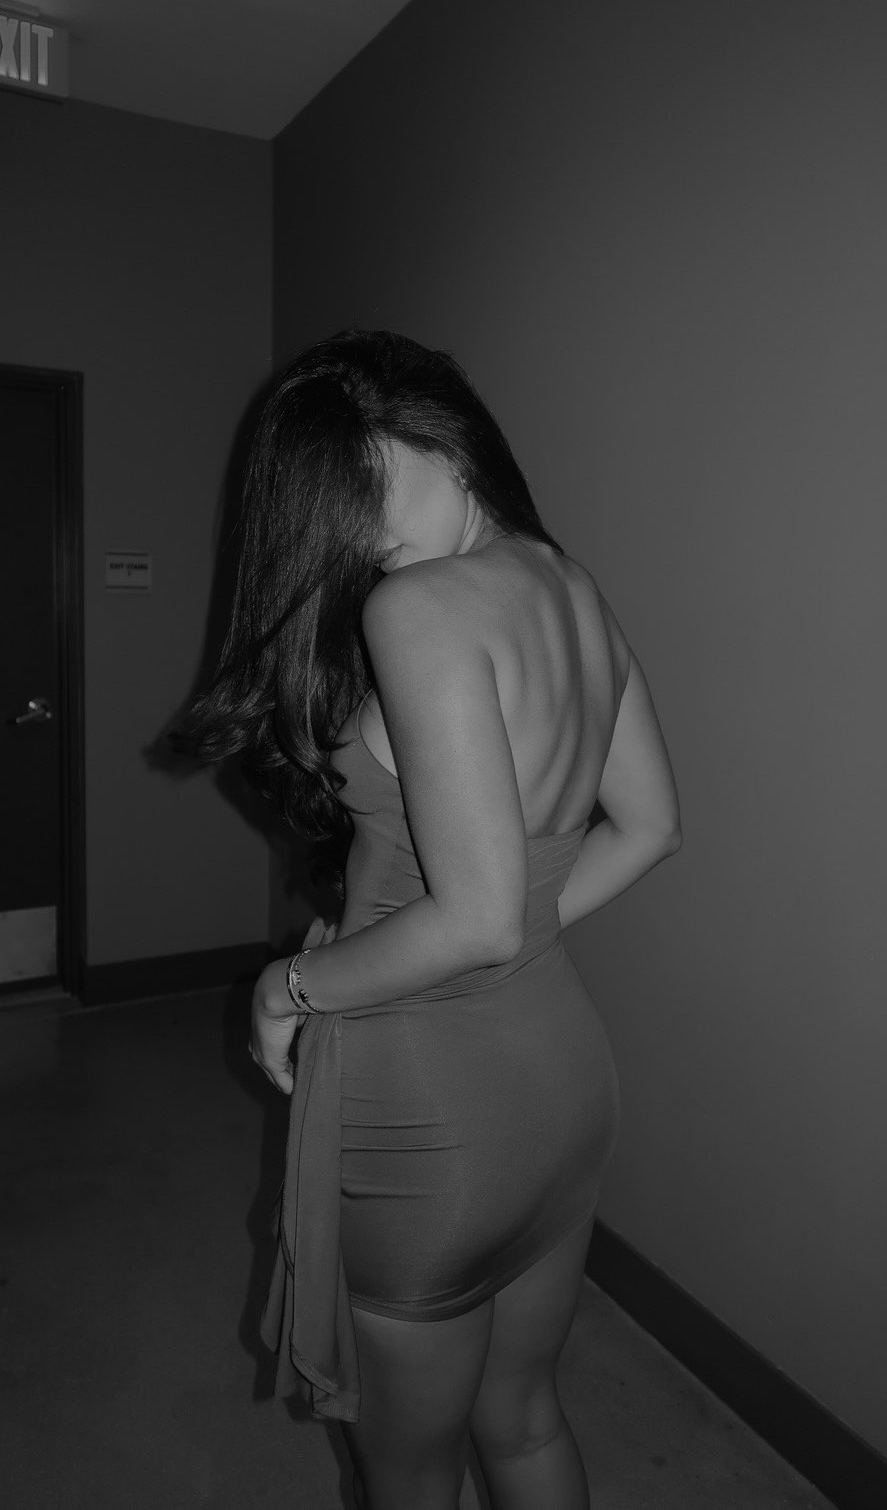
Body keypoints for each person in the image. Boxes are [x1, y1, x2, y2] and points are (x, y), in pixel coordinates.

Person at [179, 329, 681, 1510]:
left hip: (429, 1104)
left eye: (369, 487)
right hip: (561, 1079)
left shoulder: (419, 608)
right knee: (524, 1418)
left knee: (407, 1471)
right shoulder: (569, 585)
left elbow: (474, 920)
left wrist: (284, 989)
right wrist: (514, 919)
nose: (361, 537)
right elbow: (648, 828)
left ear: (447, 443)